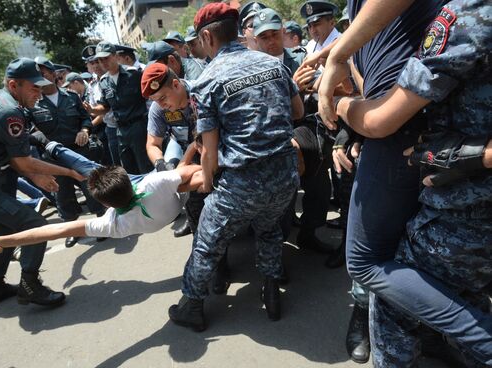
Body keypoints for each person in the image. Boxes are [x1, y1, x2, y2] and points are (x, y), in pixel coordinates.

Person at [316, 0, 492, 365]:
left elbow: (382, 118)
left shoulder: (467, 14)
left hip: (461, 201)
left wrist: (341, 101)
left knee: (367, 264)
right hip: (452, 179)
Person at [168, 2, 303, 332]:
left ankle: (192, 306)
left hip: (242, 184)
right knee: (269, 230)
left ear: (206, 37)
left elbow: (209, 153)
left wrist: (208, 185)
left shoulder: (207, 81)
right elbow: (297, 112)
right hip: (285, 177)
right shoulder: (274, 65)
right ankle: (271, 293)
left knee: (207, 243)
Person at [0, 58, 84, 308]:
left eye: (41, 86)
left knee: (4, 232)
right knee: (35, 225)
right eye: (33, 87)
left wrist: (36, 173)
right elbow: (23, 162)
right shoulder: (8, 110)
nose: (39, 92)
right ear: (14, 85)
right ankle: (29, 286)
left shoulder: (3, 101)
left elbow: (13, 156)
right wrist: (70, 171)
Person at [0, 164, 202, 248]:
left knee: (86, 166)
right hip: (174, 197)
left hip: (162, 203)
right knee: (176, 163)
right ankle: (54, 148)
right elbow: (197, 172)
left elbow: (55, 230)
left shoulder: (114, 224)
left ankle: (52, 148)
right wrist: (193, 148)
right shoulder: (153, 183)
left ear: (103, 202)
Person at [34, 56, 104, 247]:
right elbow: (32, 131)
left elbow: (85, 119)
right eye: (36, 74)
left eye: (43, 73)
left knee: (91, 187)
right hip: (53, 157)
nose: (40, 77)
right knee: (62, 194)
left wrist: (84, 130)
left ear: (53, 74)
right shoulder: (33, 103)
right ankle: (71, 229)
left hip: (79, 151)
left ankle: (101, 222)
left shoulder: (71, 96)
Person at [141, 63, 198, 238]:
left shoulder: (201, 92)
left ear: (176, 84)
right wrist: (161, 164)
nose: (160, 104)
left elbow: (203, 140)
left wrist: (184, 162)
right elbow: (152, 144)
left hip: (209, 144)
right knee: (175, 179)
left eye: (163, 98)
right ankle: (193, 221)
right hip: (181, 144)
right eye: (155, 101)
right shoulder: (158, 108)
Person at [85, 42, 153, 175]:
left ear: (115, 56)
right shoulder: (104, 81)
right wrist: (91, 110)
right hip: (120, 130)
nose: (103, 63)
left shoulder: (134, 74)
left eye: (106, 58)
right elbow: (105, 106)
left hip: (139, 126)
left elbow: (150, 98)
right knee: (128, 169)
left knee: (145, 166)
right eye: (99, 60)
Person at [252, 8, 304, 74]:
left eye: (275, 34)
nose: (271, 41)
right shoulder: (253, 70)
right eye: (264, 38)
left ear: (283, 31)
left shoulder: (300, 59)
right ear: (256, 41)